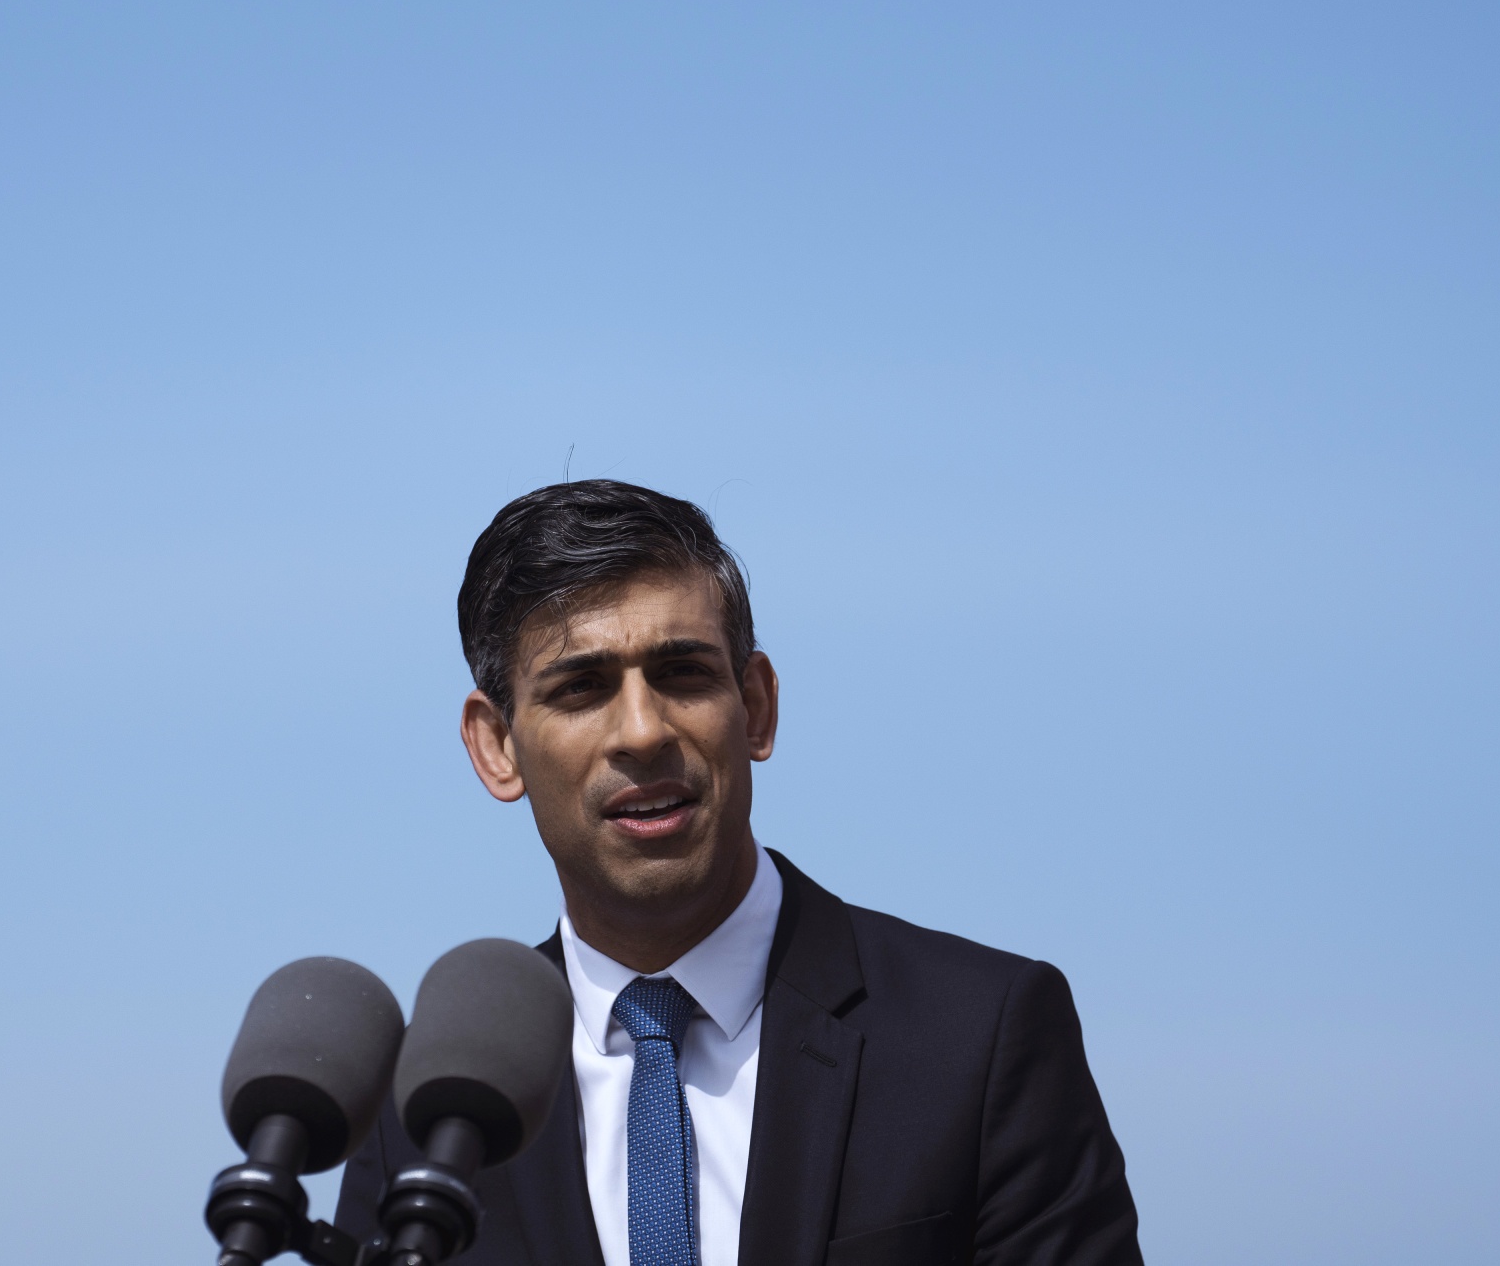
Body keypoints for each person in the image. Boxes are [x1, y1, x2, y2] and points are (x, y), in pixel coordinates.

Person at [338, 480, 1141, 1266]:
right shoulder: (420, 1112)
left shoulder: (977, 1038)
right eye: (581, 688)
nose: (643, 731)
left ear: (755, 706)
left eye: (682, 673)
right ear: (496, 747)